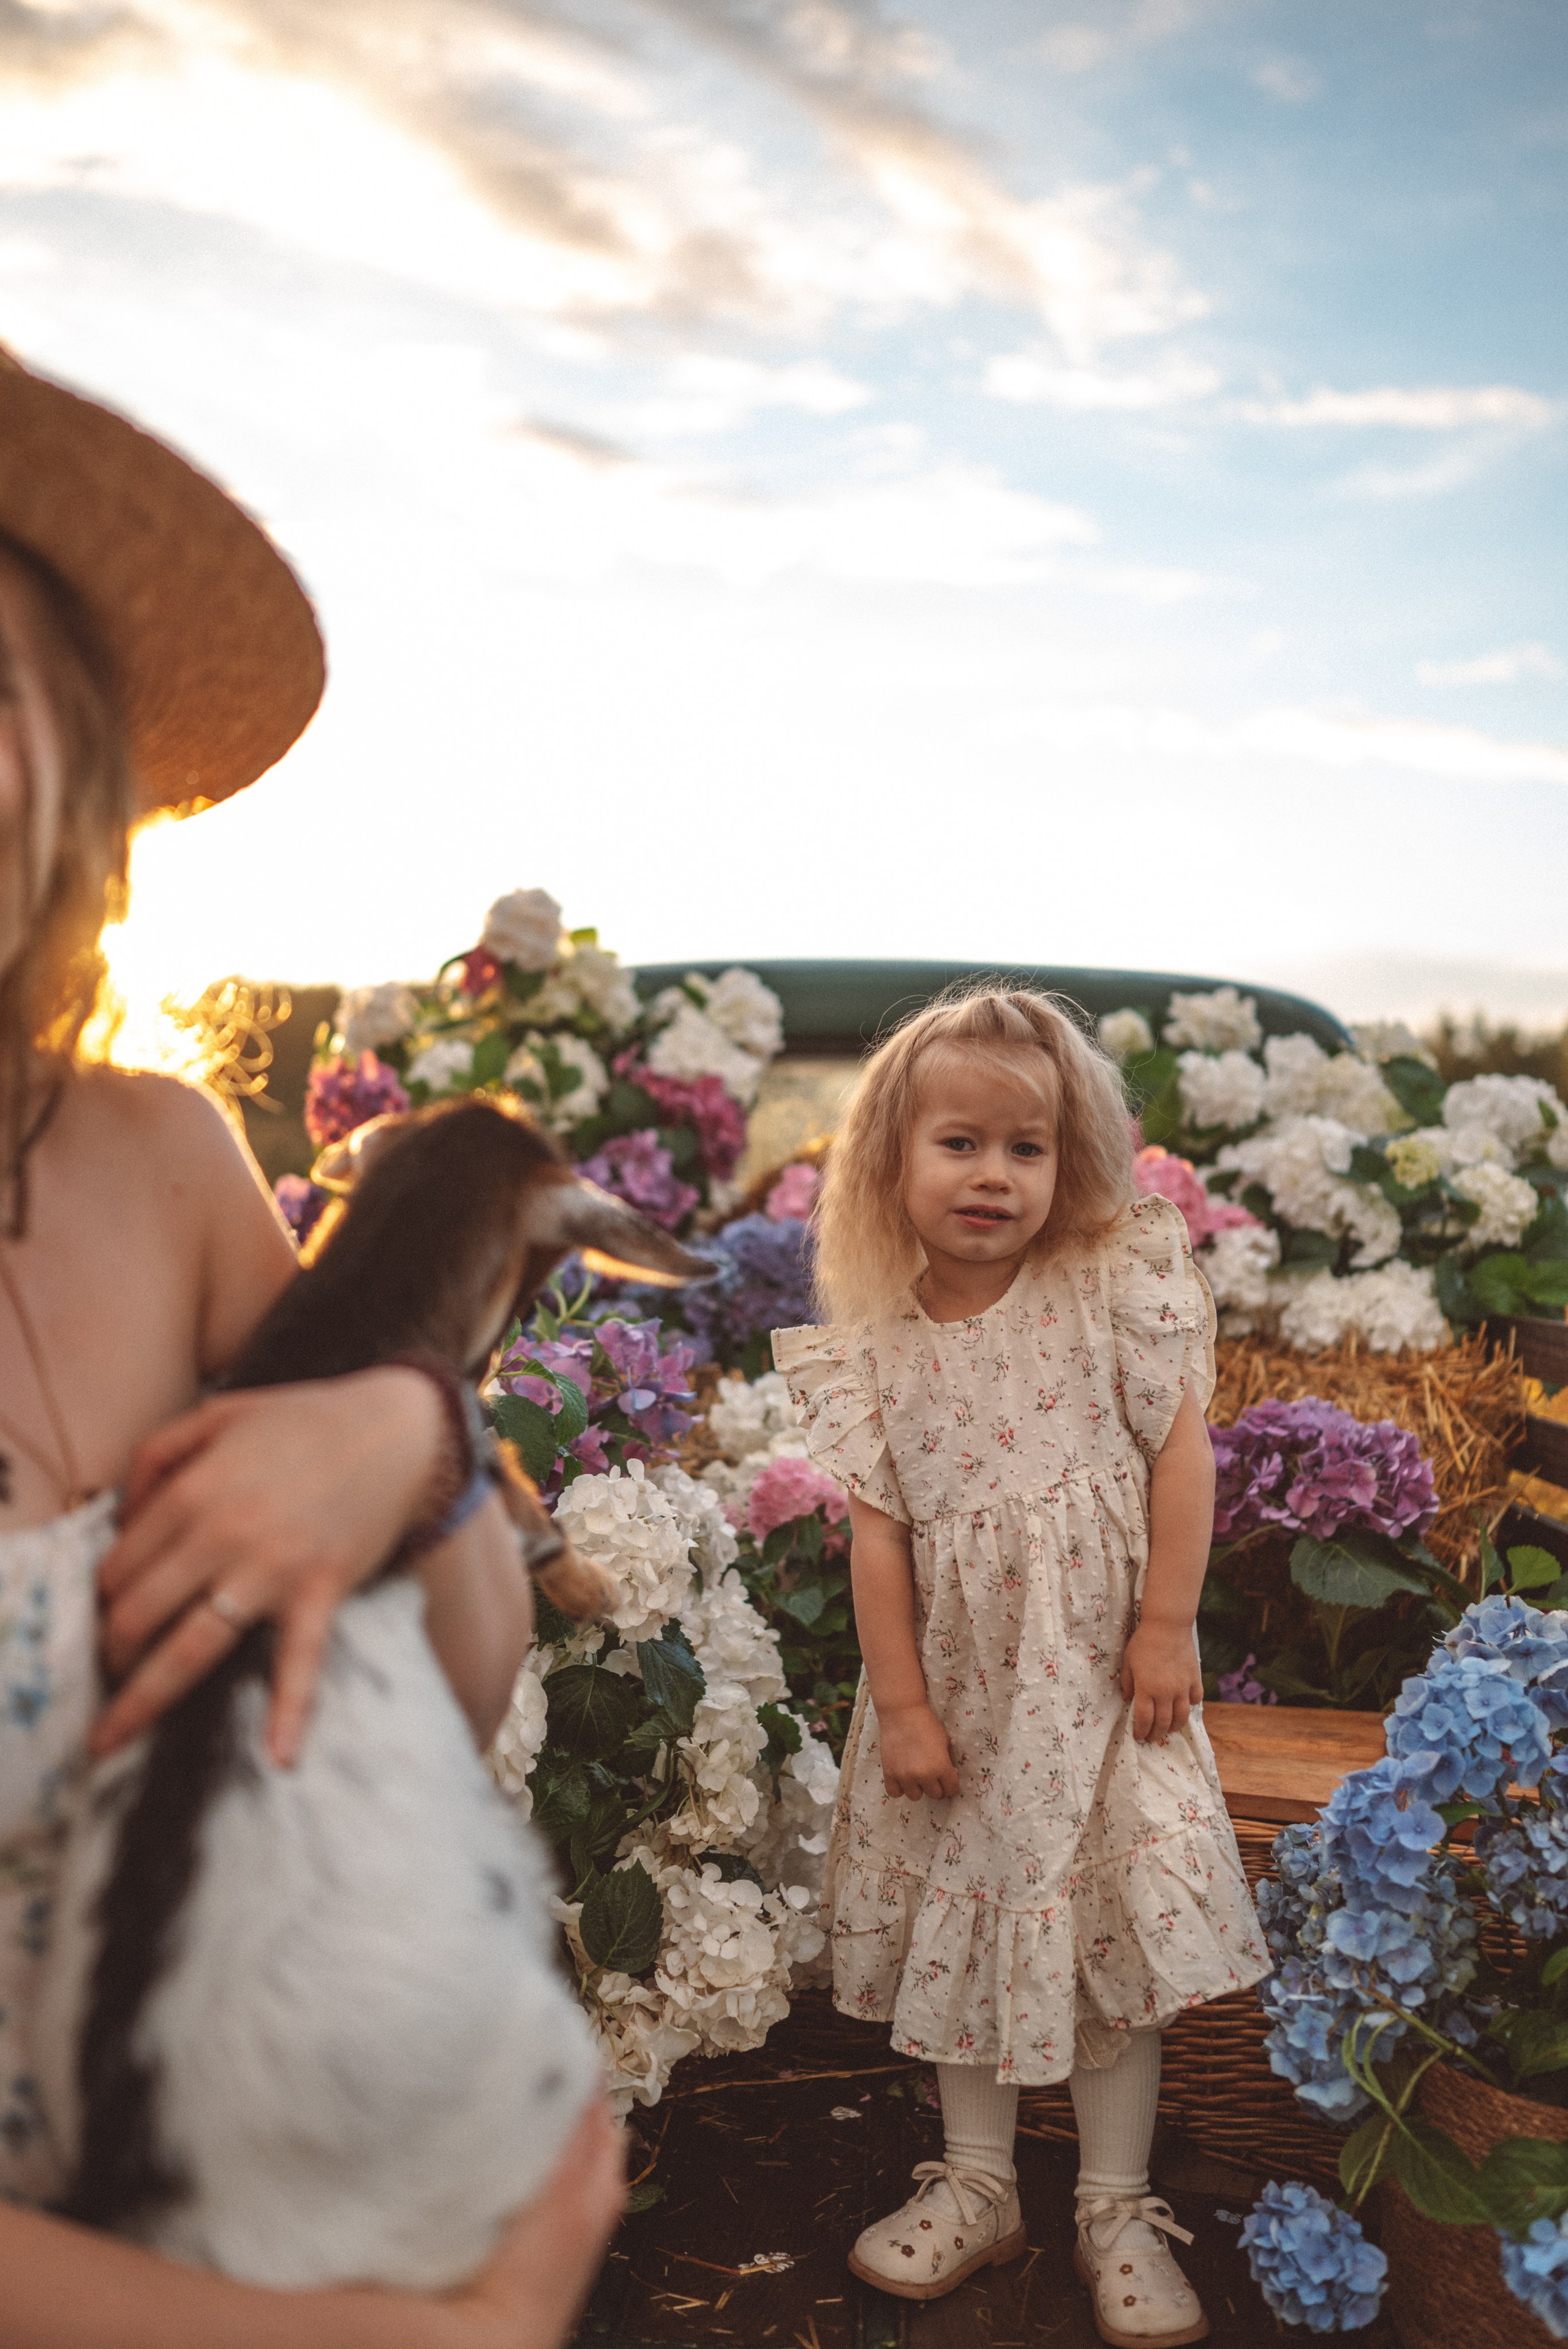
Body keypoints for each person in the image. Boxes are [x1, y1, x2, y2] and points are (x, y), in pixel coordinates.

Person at [0, 346, 622, 2345]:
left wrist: (396, 1433)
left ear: (73, 775)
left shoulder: (161, 1153)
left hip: (333, 2210)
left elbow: (444, 1679)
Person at [774, 989, 1270, 2347]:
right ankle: (978, 2181)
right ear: (889, 1162)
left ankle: (1115, 2202)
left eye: (1025, 1148)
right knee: (962, 1922)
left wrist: (1165, 1623)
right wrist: (903, 1709)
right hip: (967, 1711)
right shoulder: (874, 1343)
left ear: (1070, 1165)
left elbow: (1181, 1454)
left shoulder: (1104, 1285)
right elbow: (878, 1542)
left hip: (1110, 1687)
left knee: (1109, 1946)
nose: (993, 1174)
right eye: (957, 1143)